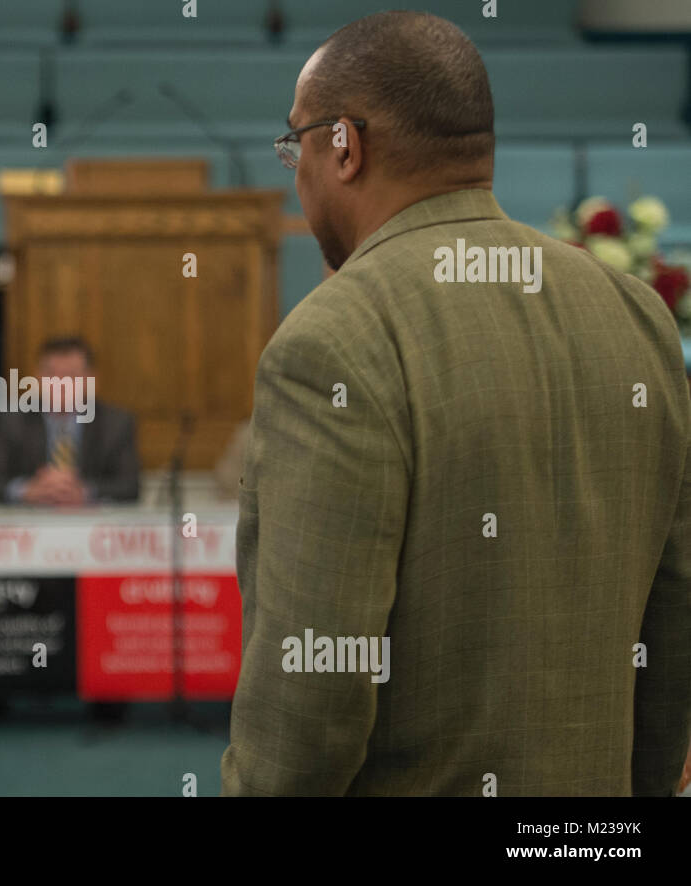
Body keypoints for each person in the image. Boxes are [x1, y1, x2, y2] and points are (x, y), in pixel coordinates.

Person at [222, 12, 691, 796]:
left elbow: (306, 715)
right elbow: (672, 635)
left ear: (345, 146)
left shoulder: (335, 339)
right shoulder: (636, 314)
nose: (293, 171)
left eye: (294, 144)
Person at [0, 336, 139, 505]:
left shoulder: (116, 423)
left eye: (71, 375)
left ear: (91, 379)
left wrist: (84, 491)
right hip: (31, 523)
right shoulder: (12, 421)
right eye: (51, 374)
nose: (60, 383)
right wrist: (27, 490)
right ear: (37, 377)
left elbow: (130, 487)